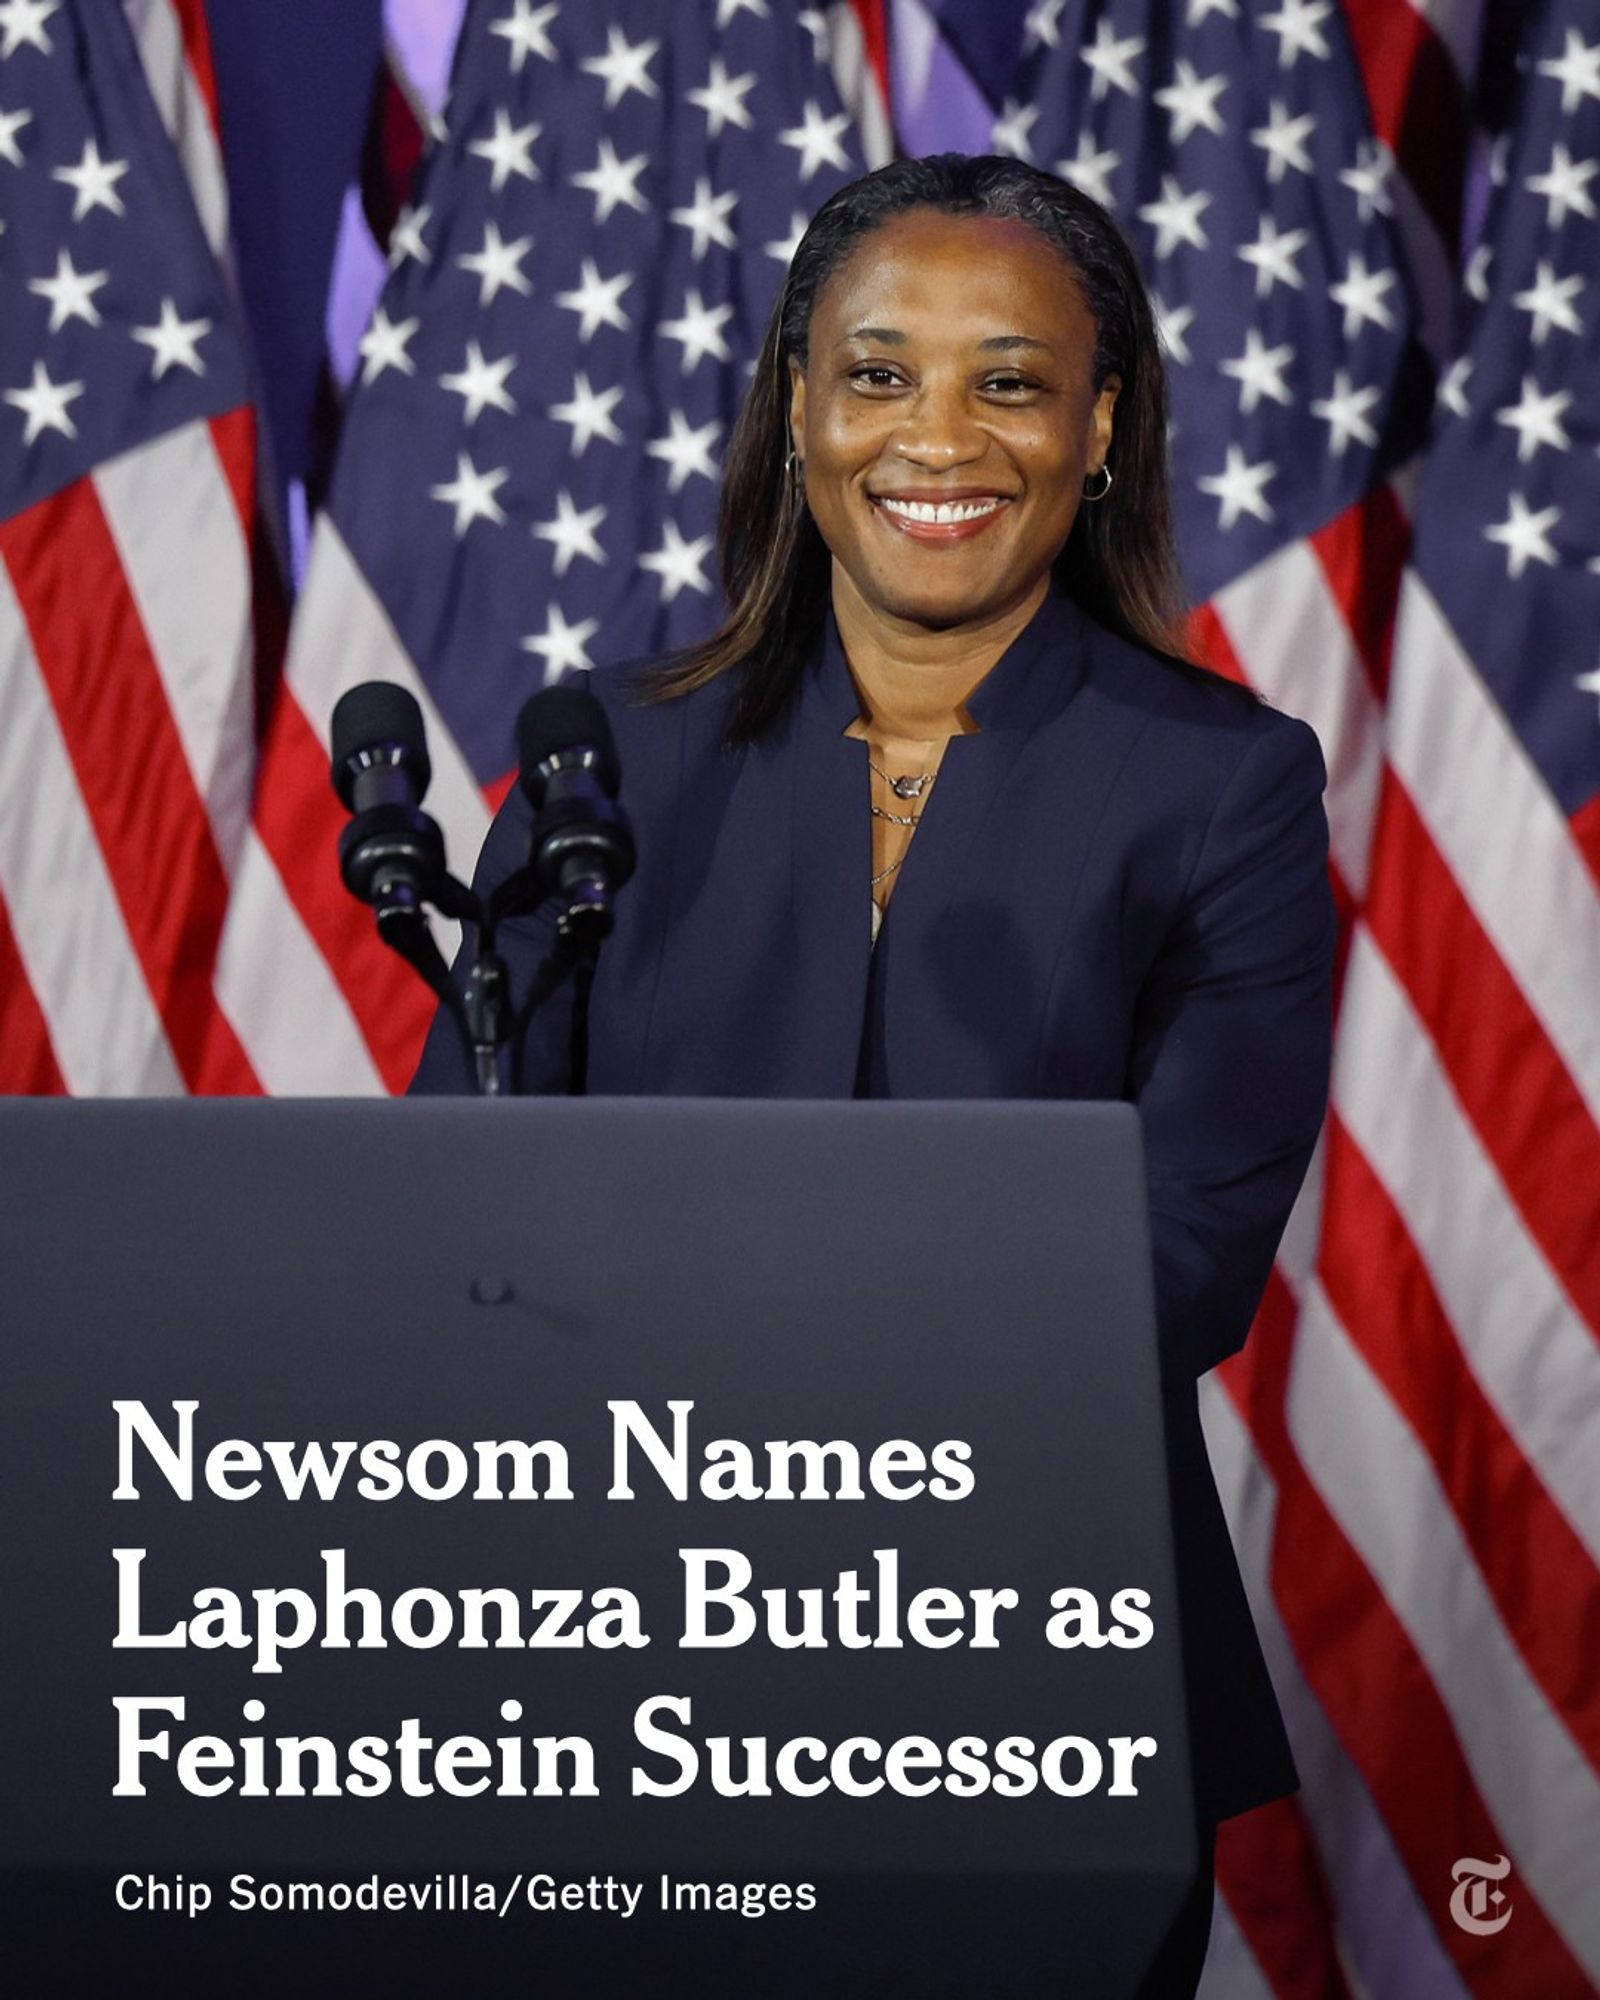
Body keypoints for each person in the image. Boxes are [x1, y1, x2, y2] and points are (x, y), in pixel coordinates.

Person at [413, 153, 1336, 1991]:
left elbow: (1182, 1256)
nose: (941, 436)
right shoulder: (606, 765)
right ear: (798, 411)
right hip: (627, 1664)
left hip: (1035, 1657)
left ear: (1100, 423)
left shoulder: (1226, 785)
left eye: (1010, 379)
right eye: (878, 372)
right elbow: (459, 1217)